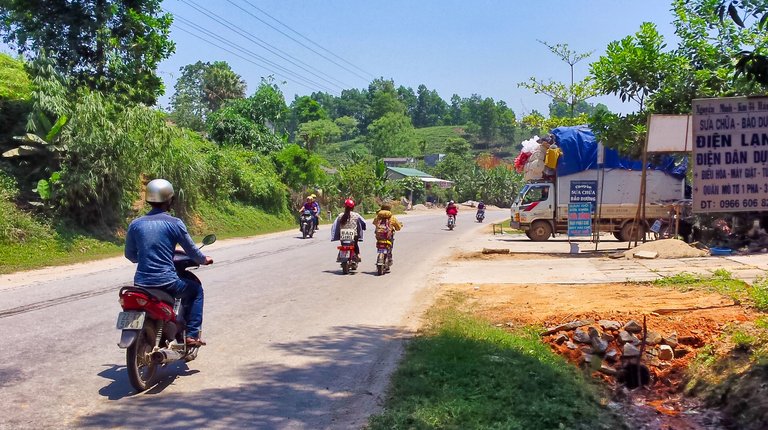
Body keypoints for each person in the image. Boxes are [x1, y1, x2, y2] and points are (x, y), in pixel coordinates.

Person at [125, 179, 213, 347]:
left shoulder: (135, 224)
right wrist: (204, 259)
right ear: (170, 199)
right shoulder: (175, 223)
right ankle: (192, 335)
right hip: (167, 282)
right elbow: (192, 251)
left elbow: (130, 254)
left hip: (141, 283)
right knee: (196, 291)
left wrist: (145, 257)